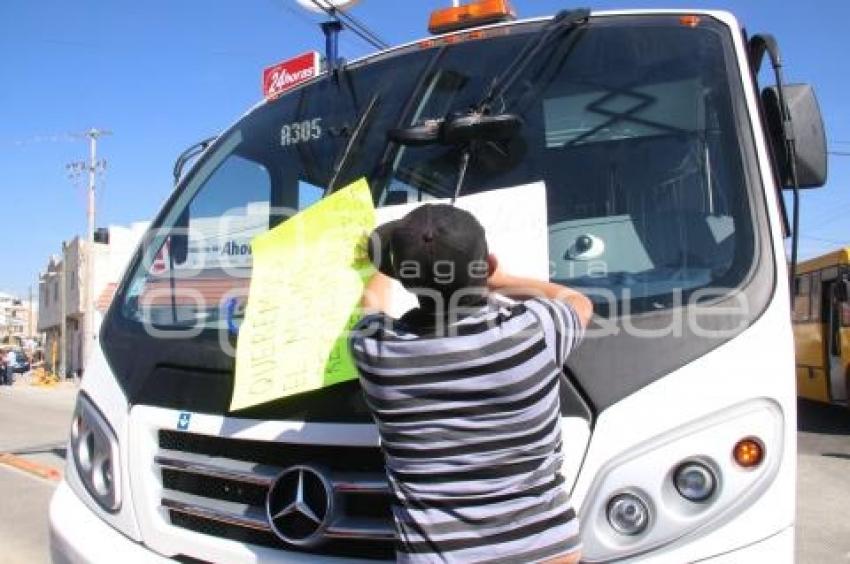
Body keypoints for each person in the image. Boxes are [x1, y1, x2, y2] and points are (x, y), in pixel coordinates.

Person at [350, 204, 592, 564]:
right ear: (488, 264)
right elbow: (578, 302)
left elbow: (371, 304)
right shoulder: (535, 332)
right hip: (547, 551)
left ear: (404, 278)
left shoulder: (375, 351)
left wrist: (385, 264)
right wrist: (501, 280)